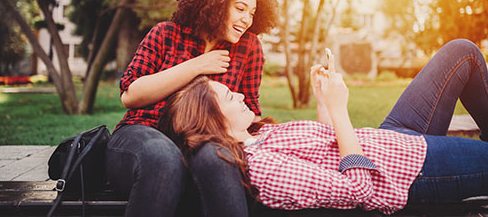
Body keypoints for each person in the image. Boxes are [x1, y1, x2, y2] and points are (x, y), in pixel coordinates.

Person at [159, 39, 488, 215]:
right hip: (410, 170)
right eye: (231, 97)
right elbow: (359, 190)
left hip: (389, 139)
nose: (242, 95)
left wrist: (321, 102)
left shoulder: (256, 136)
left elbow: (325, 153)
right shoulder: (263, 169)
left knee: (462, 53)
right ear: (213, 123)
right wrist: (338, 108)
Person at [105, 0, 278, 216]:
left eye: (252, 13)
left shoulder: (248, 48)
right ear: (215, 2)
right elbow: (130, 95)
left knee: (217, 158)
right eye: (240, 8)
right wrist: (197, 66)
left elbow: (251, 110)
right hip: (143, 132)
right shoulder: (166, 34)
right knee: (162, 156)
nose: (247, 20)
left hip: (205, 142)